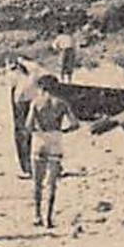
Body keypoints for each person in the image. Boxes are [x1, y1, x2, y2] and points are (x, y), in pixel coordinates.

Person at [28, 74, 79, 228]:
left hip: (40, 139)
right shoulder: (62, 103)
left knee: (37, 181)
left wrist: (37, 129)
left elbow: (28, 125)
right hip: (56, 139)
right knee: (52, 183)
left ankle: (37, 215)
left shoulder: (36, 102)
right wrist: (64, 130)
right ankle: (49, 217)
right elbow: (75, 124)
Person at [8, 57, 41, 178]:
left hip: (28, 104)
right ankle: (26, 168)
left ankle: (32, 167)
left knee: (31, 136)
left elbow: (35, 67)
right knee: (21, 136)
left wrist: (21, 60)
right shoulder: (16, 76)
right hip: (19, 105)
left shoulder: (33, 74)